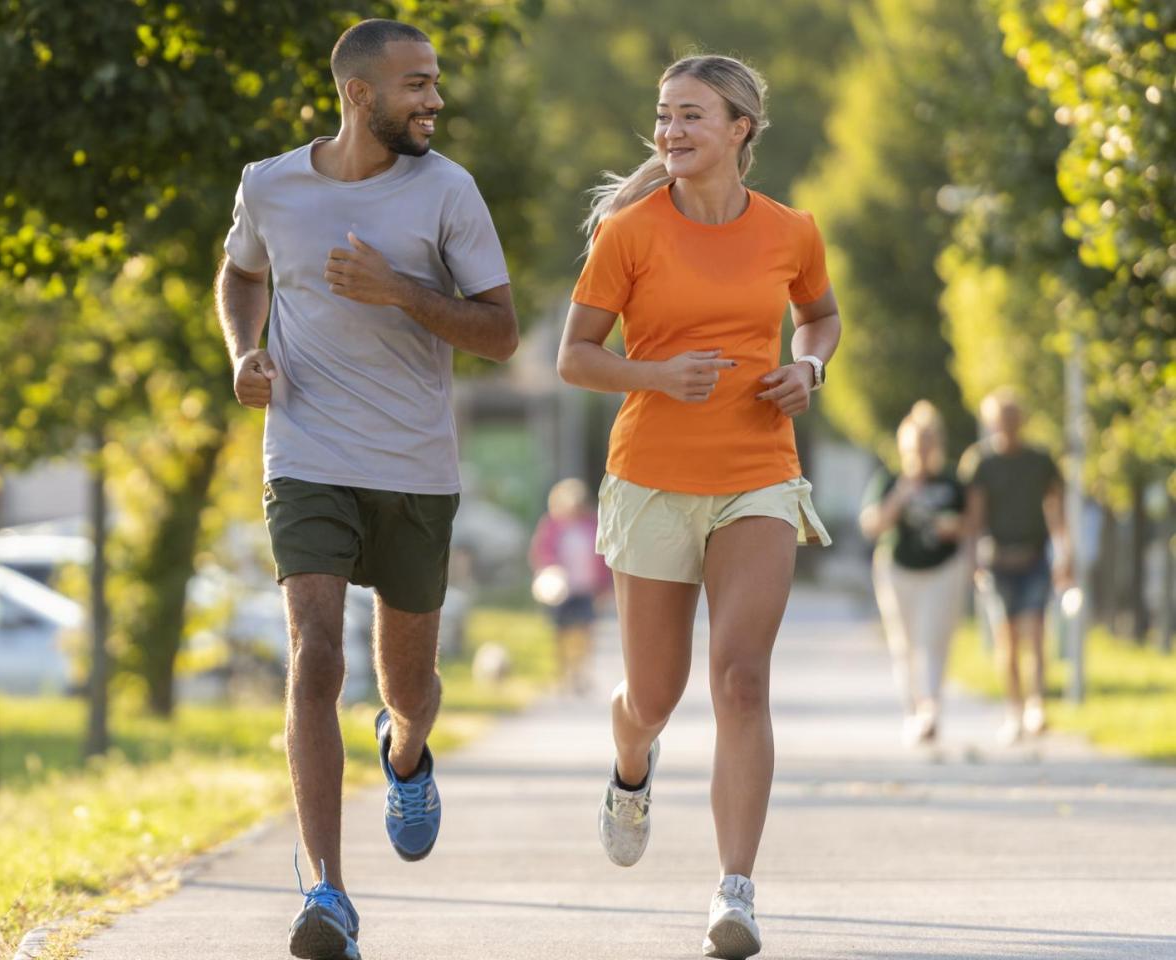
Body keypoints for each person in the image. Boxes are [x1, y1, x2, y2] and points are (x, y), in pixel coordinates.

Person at [216, 18, 517, 960]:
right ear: (358, 94)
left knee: (408, 685)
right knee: (312, 655)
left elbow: (500, 334)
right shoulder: (271, 185)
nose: (434, 99)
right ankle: (328, 896)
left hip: (413, 467)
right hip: (304, 451)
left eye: (435, 83)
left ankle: (408, 751)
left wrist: (402, 294)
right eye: (416, 85)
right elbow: (238, 274)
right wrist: (244, 353)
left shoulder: (448, 191)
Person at [555, 54, 840, 960]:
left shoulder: (791, 230)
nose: (672, 131)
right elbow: (574, 356)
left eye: (692, 116)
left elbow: (820, 316)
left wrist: (809, 368)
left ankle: (735, 891)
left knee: (741, 679)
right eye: (665, 116)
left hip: (758, 470)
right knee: (656, 693)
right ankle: (629, 767)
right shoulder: (632, 233)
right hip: (651, 479)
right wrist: (656, 375)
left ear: (740, 129)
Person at [961, 387, 1072, 743]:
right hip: (998, 562)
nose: (1006, 427)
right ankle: (1014, 711)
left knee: (1037, 633)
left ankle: (1037, 704)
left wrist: (1064, 554)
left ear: (1020, 421)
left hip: (1035, 558)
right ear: (991, 423)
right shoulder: (981, 462)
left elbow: (1056, 509)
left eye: (1012, 419)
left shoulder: (1040, 460)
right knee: (1006, 640)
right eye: (999, 421)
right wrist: (972, 560)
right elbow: (975, 516)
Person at [859, 400, 969, 745]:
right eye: (915, 445)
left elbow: (971, 522)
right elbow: (871, 525)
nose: (922, 452)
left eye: (927, 445)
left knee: (934, 639)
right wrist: (900, 498)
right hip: (897, 570)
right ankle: (912, 711)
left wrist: (954, 527)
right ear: (905, 446)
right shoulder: (890, 479)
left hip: (943, 570)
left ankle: (930, 711)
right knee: (903, 643)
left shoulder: (952, 482)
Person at [529, 477, 614, 695]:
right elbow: (541, 553)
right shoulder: (551, 527)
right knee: (562, 632)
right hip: (560, 590)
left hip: (586, 588)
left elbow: (603, 557)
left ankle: (581, 673)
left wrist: (605, 587)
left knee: (585, 632)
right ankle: (564, 673)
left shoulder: (592, 525)